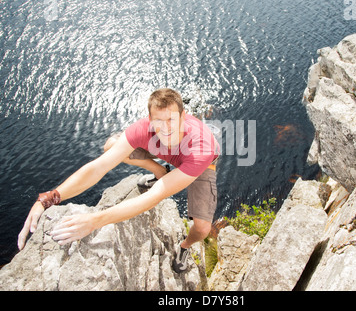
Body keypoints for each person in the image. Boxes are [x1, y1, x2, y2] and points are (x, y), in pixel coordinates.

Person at [17, 88, 220, 273]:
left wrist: (94, 221)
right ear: (149, 119)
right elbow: (99, 167)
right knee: (111, 146)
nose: (165, 128)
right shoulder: (143, 130)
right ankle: (159, 169)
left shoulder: (201, 147)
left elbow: (155, 195)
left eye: (172, 120)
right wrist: (48, 199)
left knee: (202, 228)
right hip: (167, 155)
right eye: (159, 121)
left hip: (197, 164)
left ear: (183, 117)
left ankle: (184, 246)